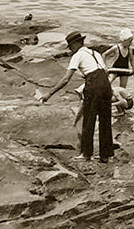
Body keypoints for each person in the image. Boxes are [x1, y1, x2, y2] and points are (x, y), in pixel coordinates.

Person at [40, 31, 114, 163]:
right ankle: (105, 155)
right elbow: (106, 70)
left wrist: (49, 93)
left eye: (71, 46)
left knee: (89, 119)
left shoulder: (78, 55)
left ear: (77, 44)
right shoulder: (95, 53)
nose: (71, 50)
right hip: (106, 83)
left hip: (94, 84)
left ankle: (86, 154)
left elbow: (66, 79)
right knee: (105, 120)